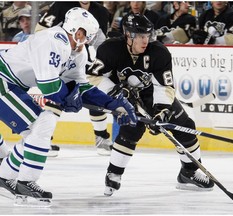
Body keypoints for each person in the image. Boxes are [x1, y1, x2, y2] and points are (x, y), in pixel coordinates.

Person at [0, 7, 137, 205]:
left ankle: (6, 176)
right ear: (76, 31)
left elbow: (83, 88)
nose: (88, 40)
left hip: (12, 83)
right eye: (86, 35)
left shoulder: (78, 52)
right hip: (3, 80)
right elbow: (49, 88)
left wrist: (117, 104)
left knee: (38, 128)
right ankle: (20, 179)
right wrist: (69, 98)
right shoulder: (53, 40)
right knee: (42, 123)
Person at [87, 13, 214, 196]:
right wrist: (115, 92)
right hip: (123, 97)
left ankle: (189, 172)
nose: (144, 40)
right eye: (139, 36)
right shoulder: (110, 49)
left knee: (184, 126)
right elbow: (93, 76)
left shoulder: (159, 52)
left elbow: (165, 85)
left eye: (147, 35)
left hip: (153, 95)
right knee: (132, 129)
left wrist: (161, 110)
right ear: (127, 34)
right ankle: (113, 173)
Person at [35, 1, 113, 155]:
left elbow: (102, 43)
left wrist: (98, 59)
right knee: (56, 97)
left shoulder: (102, 12)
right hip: (61, 61)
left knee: (94, 95)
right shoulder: (61, 5)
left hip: (88, 62)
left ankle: (101, 137)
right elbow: (40, 31)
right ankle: (44, 139)